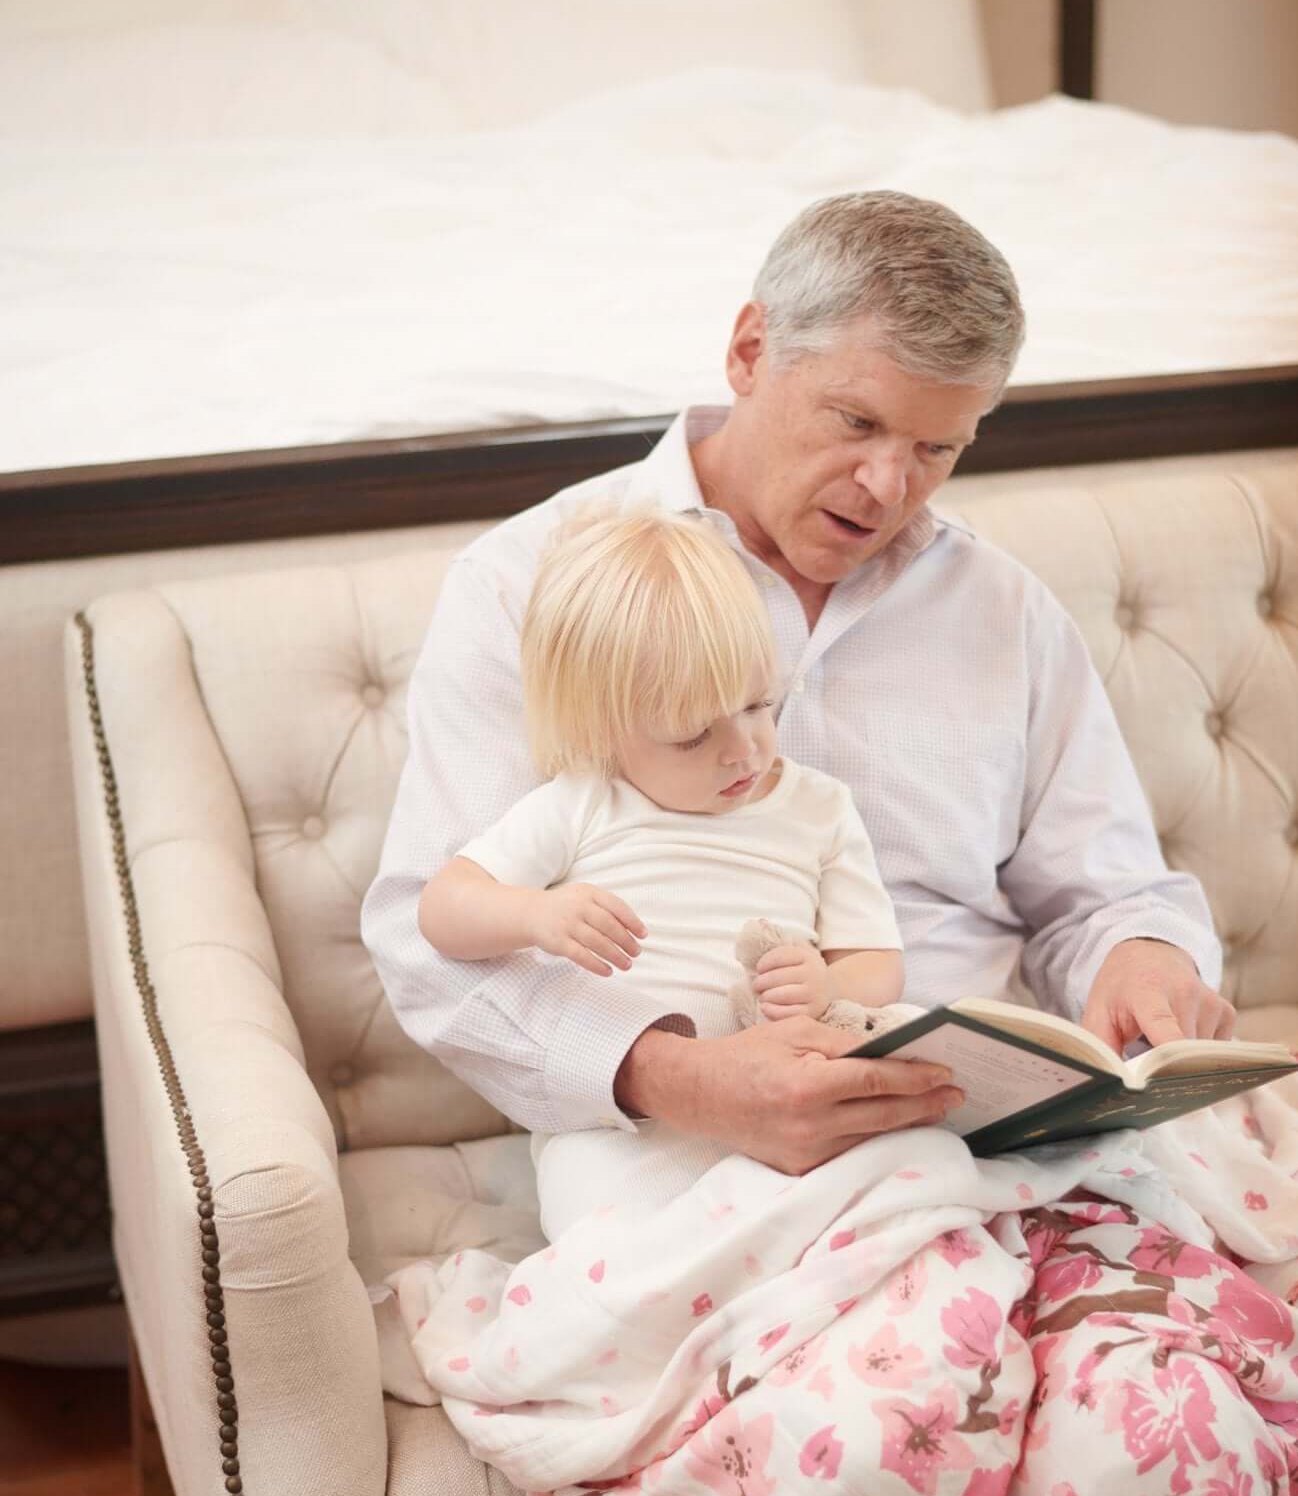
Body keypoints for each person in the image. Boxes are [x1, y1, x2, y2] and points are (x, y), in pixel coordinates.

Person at [363, 189, 1236, 1169]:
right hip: (693, 1141)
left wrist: (1145, 956)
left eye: (935, 448)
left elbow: (1108, 893)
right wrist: (677, 1075)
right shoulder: (525, 586)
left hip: (998, 1135)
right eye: (856, 420)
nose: (886, 486)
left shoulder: (1005, 610)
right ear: (748, 351)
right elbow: (426, 937)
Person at [416, 501, 925, 1239]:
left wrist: (828, 983)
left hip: (797, 1095)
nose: (745, 750)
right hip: (632, 1124)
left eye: (759, 705)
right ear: (603, 730)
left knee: (905, 1125)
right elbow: (442, 910)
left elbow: (876, 963)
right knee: (618, 1238)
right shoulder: (582, 804)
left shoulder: (817, 807)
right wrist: (534, 916)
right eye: (692, 736)